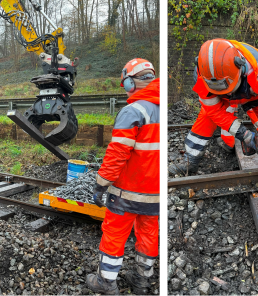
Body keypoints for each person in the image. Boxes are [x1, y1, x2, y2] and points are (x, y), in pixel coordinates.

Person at [86, 58, 160, 295]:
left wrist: (101, 184)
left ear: (130, 83)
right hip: (155, 194)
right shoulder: (160, 108)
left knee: (115, 233)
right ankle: (141, 281)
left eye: (125, 83)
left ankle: (106, 282)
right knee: (148, 233)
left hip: (127, 190)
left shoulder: (133, 111)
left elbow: (117, 153)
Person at [168, 38, 258, 180]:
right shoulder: (201, 74)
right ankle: (190, 161)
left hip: (253, 91)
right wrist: (244, 134)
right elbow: (213, 111)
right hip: (222, 95)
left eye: (228, 90)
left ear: (240, 69)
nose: (229, 95)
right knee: (206, 118)